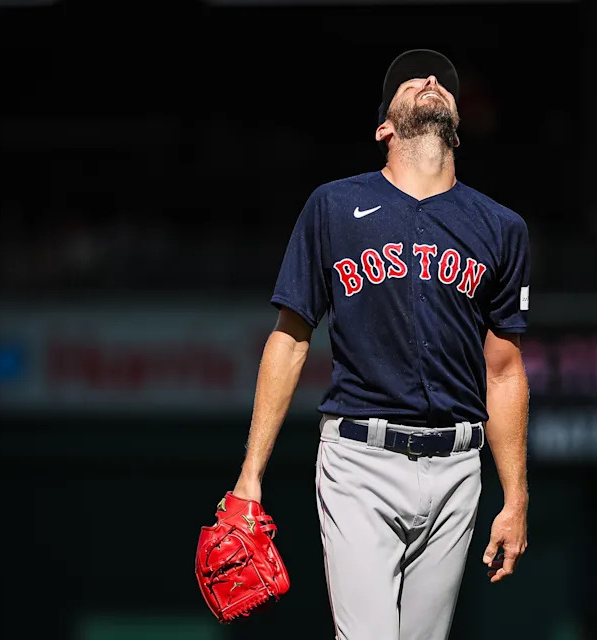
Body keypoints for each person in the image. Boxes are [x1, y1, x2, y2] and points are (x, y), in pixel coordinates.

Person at [231, 48, 531, 640]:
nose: (431, 80)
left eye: (443, 80)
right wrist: (249, 476)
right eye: (412, 79)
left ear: (458, 125)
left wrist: (516, 496)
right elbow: (290, 340)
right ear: (384, 126)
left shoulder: (501, 227)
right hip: (359, 459)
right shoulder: (334, 206)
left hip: (457, 467)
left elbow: (504, 370)